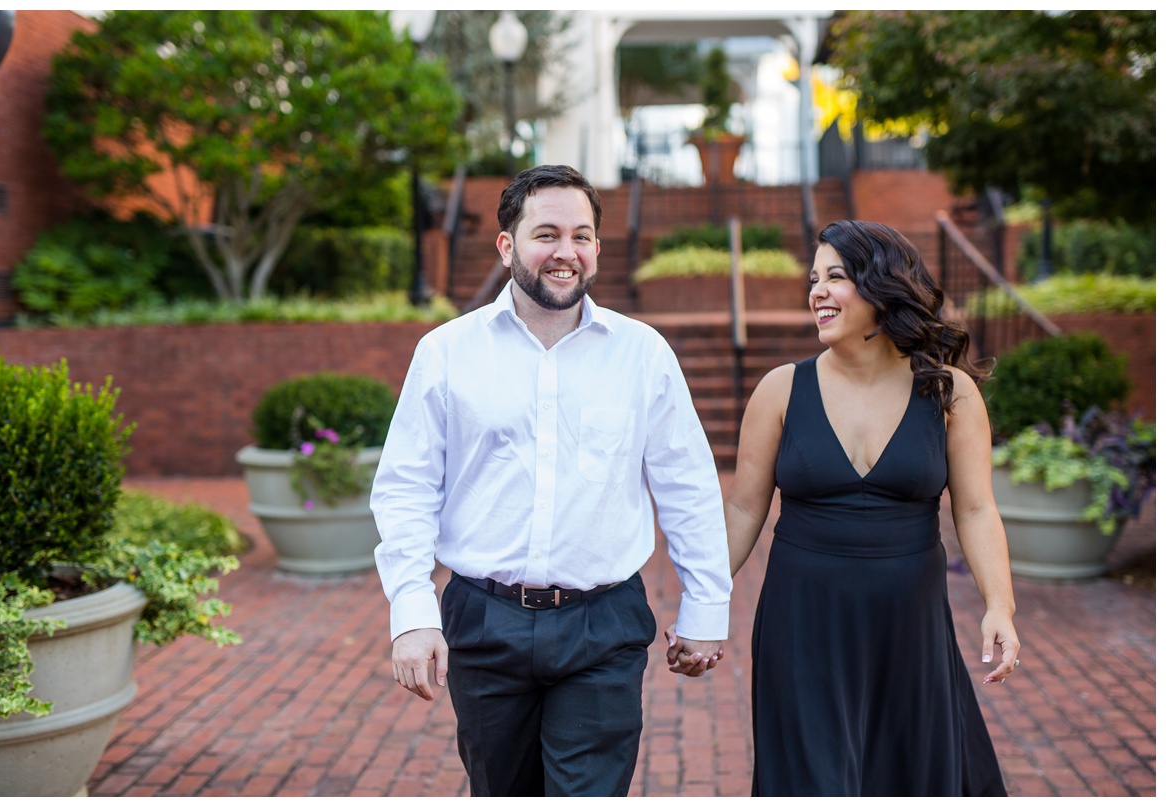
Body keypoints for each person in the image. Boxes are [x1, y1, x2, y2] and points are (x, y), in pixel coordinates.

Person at [370, 164, 732, 797]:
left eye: (582, 236)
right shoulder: (446, 352)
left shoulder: (641, 353)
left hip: (603, 626)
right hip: (483, 622)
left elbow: (687, 484)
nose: (566, 252)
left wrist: (706, 605)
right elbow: (406, 485)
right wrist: (410, 608)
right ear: (508, 245)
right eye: (547, 234)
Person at [721, 220, 1019, 795]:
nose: (817, 292)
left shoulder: (949, 391)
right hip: (802, 624)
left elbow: (977, 510)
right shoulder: (780, 390)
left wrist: (998, 606)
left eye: (836, 276)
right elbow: (742, 511)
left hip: (911, 629)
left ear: (882, 285)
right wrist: (701, 600)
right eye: (814, 278)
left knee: (909, 774)